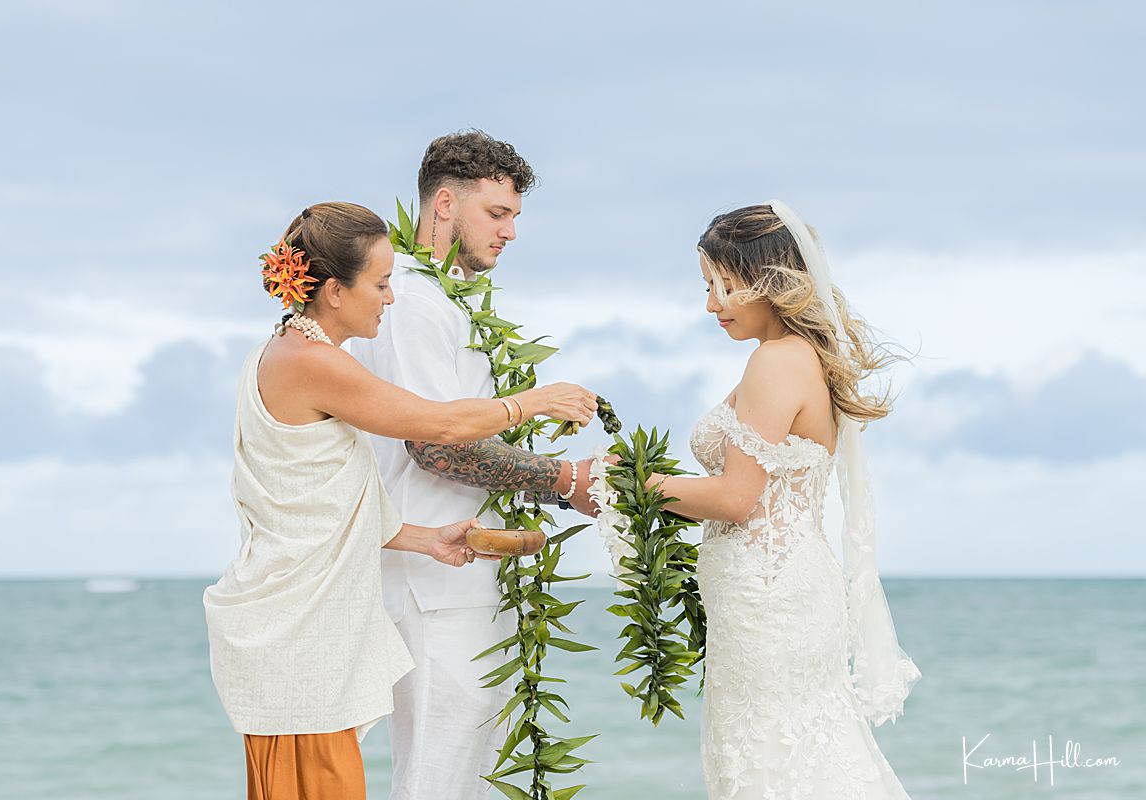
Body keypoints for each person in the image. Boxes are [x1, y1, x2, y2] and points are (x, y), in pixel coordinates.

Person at [203, 201, 598, 800]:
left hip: (305, 621)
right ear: (334, 291)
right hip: (297, 626)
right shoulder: (310, 363)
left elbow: (322, 501)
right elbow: (434, 426)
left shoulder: (291, 353)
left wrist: (424, 539)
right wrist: (534, 402)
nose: (391, 298)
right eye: (382, 283)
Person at [351, 131, 600, 799]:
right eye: (497, 214)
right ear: (443, 203)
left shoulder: (454, 297)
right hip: (431, 582)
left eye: (515, 215)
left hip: (470, 571)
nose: (512, 231)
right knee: (437, 779)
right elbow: (434, 442)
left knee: (475, 780)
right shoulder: (408, 298)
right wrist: (564, 482)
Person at [642, 201, 920, 798]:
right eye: (707, 287)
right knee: (787, 748)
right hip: (778, 591)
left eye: (724, 286)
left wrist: (634, 487)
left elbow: (738, 497)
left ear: (768, 280)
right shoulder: (799, 357)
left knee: (772, 753)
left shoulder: (774, 361)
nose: (711, 304)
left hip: (767, 599)